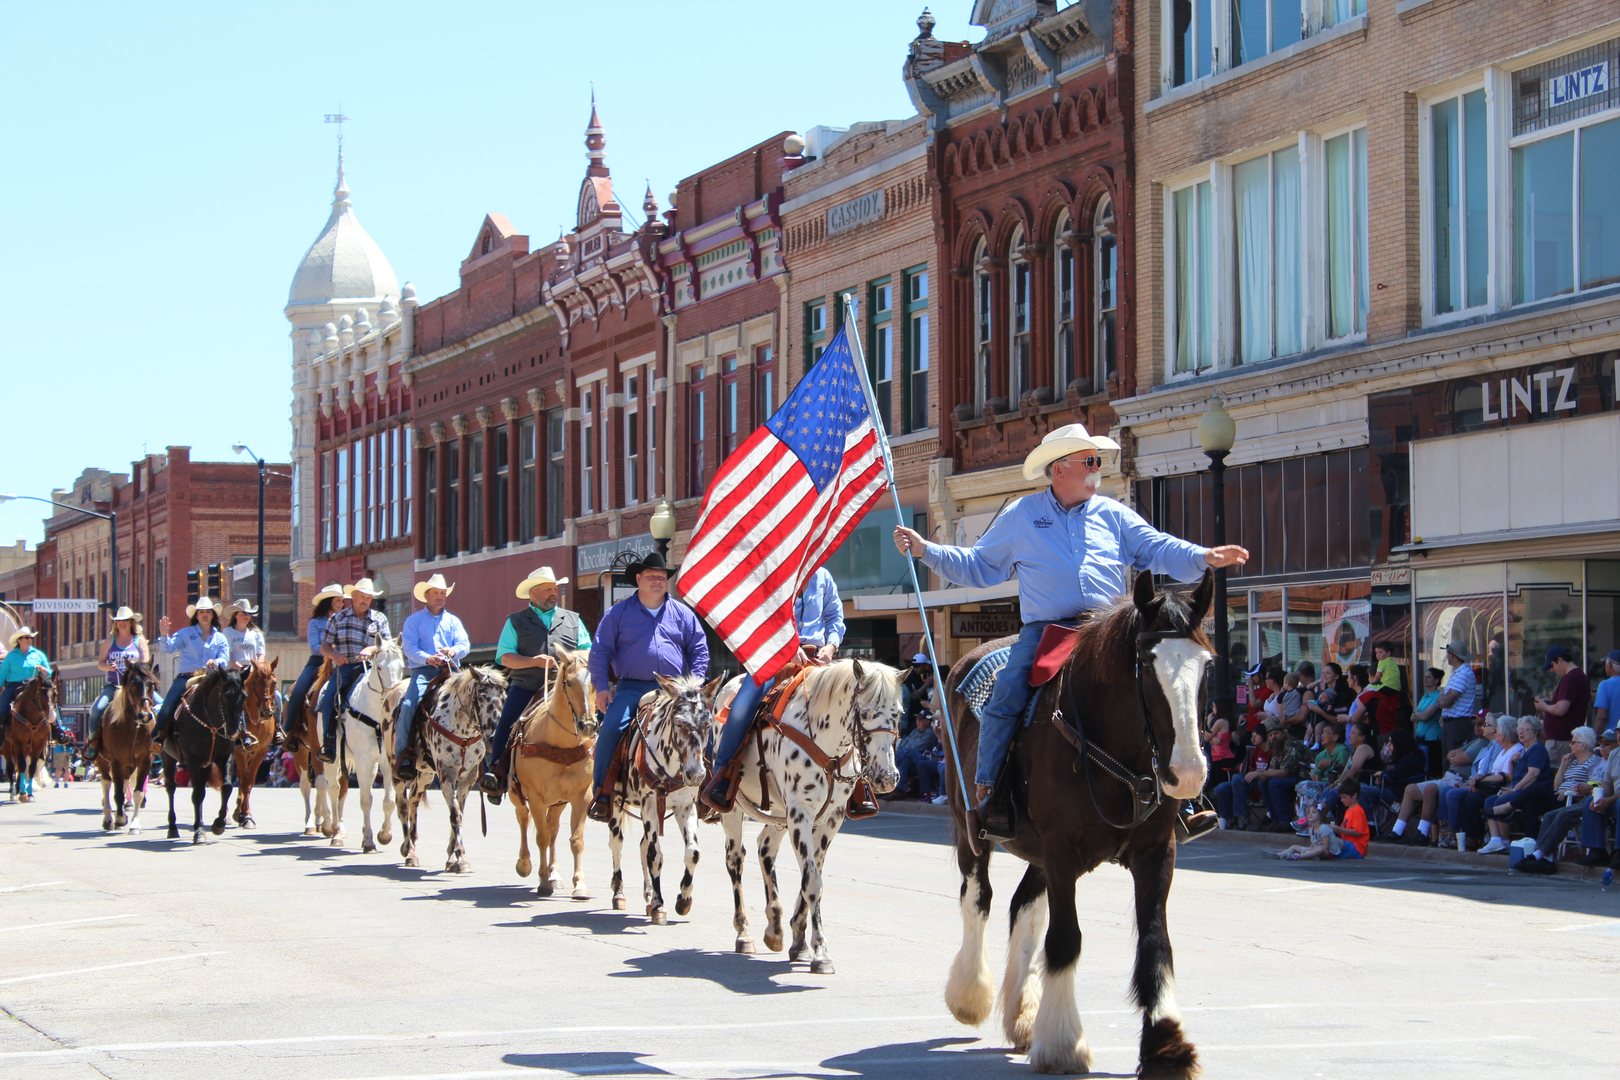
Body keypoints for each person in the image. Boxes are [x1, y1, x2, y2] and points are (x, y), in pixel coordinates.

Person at [891, 423, 1248, 839]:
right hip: (1046, 631)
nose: (1098, 468)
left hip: (1111, 629)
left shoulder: (1113, 513)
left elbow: (1157, 547)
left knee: (1162, 690)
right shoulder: (1022, 515)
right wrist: (924, 549)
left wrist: (1202, 555)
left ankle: (1183, 799)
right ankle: (990, 791)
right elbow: (978, 566)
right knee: (1005, 695)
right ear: (1060, 468)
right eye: (1090, 461)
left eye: (1098, 460)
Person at [701, 565, 845, 814]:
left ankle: (857, 781)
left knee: (852, 698)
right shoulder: (776, 569)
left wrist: (832, 645)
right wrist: (787, 643)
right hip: (774, 655)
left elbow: (834, 616)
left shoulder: (823, 575)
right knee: (743, 704)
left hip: (817, 659)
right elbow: (760, 615)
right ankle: (722, 775)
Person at [585, 552, 707, 822]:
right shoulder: (617, 613)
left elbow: (699, 650)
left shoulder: (682, 613)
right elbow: (600, 652)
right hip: (632, 688)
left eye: (662, 577)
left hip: (674, 691)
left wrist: (696, 682)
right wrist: (602, 688)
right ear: (638, 579)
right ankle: (603, 793)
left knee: (700, 725)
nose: (657, 581)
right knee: (612, 728)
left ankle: (707, 792)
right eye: (651, 576)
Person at [479, 566, 587, 800]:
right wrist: (533, 662)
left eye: (554, 588)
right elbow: (505, 657)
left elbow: (587, 651)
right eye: (547, 589)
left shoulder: (573, 620)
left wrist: (572, 661)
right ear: (533, 594)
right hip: (527, 687)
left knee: (591, 720)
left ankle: (599, 776)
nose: (553, 593)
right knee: (507, 724)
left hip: (566, 689)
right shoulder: (515, 621)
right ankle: (496, 772)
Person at [395, 573, 472, 783]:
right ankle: (403, 755)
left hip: (451, 672)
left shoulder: (453, 621)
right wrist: (428, 658)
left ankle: (476, 752)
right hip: (424, 672)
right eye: (436, 593)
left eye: (443, 593)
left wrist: (453, 651)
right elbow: (409, 648)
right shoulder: (413, 621)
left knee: (473, 701)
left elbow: (464, 644)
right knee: (409, 704)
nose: (440, 596)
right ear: (426, 596)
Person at [1513, 726, 1608, 874]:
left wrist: (1576, 789)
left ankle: (1537, 853)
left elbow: (1596, 784)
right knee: (1533, 807)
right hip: (1561, 795)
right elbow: (1557, 785)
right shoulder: (1573, 763)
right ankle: (1546, 859)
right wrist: (1563, 765)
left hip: (1575, 798)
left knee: (1537, 788)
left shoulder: (1596, 762)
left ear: (1582, 745)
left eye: (1573, 742)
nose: (1570, 745)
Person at [1390, 713, 1495, 845]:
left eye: (1482, 724)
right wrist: (1456, 758)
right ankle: (1397, 831)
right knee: (1410, 789)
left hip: (1460, 779)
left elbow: (1458, 758)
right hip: (1448, 776)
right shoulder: (1475, 742)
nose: (1478, 727)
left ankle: (1422, 833)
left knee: (1430, 788)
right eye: (1476, 723)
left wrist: (1457, 757)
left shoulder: (1485, 744)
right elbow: (1450, 755)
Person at [317, 579, 392, 763]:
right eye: (362, 597)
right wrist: (334, 655)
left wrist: (371, 649)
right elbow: (324, 646)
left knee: (393, 695)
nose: (365, 601)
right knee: (329, 696)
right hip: (346, 666)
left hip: (373, 668)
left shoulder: (379, 619)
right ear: (353, 596)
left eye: (368, 597)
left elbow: (388, 644)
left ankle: (396, 743)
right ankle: (328, 741)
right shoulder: (338, 618)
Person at [150, 599, 231, 745]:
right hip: (186, 678)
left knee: (232, 699)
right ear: (196, 616)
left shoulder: (221, 638)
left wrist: (216, 662)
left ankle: (238, 735)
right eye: (201, 612)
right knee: (168, 704)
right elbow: (167, 649)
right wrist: (163, 635)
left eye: (207, 612)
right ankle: (158, 737)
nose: (204, 615)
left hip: (211, 678)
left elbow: (225, 658)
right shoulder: (185, 633)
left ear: (212, 615)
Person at [81, 607, 151, 762]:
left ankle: (158, 740)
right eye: (118, 621)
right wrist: (108, 667)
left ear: (132, 622)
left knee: (161, 706)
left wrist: (135, 666)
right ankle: (93, 741)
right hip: (114, 685)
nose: (121, 623)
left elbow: (145, 660)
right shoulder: (109, 641)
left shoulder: (139, 641)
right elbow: (100, 663)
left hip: (136, 686)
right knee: (97, 709)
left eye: (125, 620)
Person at [285, 583, 346, 753]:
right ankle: (288, 729)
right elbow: (314, 646)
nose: (341, 604)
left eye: (342, 600)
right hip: (317, 663)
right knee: (298, 691)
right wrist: (332, 649)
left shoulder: (345, 621)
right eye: (337, 600)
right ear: (328, 602)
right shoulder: (315, 622)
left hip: (341, 663)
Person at [1478, 716, 1552, 853]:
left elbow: (1533, 774)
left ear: (1535, 732)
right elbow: (1513, 777)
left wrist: (1515, 789)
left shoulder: (1537, 749)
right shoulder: (1522, 751)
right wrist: (1512, 763)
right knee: (1490, 800)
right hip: (1518, 790)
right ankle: (1496, 840)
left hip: (1533, 792)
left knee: (1501, 801)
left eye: (1525, 730)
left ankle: (1505, 841)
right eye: (1519, 730)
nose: (1521, 733)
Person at [1213, 718, 1300, 831]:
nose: (1253, 737)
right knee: (1222, 787)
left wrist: (1259, 774)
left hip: (1268, 781)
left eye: (1257, 734)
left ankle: (1243, 817)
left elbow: (1280, 772)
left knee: (1240, 779)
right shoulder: (1258, 750)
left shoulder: (1278, 748)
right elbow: (1252, 770)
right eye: (1270, 735)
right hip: (1254, 782)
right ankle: (1227, 819)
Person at [1450, 716, 1523, 852]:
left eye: (1498, 730)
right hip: (1490, 786)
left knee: (1473, 799)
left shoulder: (1516, 750)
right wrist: (1480, 776)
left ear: (1505, 734)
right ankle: (1464, 836)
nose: (1496, 732)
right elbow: (1493, 772)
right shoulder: (1502, 750)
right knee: (1464, 797)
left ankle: (1475, 838)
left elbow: (1505, 777)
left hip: (1503, 788)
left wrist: (1480, 781)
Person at [1269, 780, 1369, 861]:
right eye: (1341, 797)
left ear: (1354, 795)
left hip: (1356, 848)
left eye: (1344, 797)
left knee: (1326, 837)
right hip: (1347, 845)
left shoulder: (1358, 810)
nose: (1342, 800)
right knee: (1322, 839)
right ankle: (1282, 854)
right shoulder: (1349, 810)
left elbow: (1358, 832)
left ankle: (1299, 855)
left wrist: (1337, 829)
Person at [223, 600, 276, 747]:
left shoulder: (256, 634)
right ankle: (241, 730)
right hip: (235, 673)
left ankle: (276, 730)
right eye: (244, 614)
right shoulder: (228, 632)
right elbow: (228, 656)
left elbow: (261, 654)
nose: (247, 617)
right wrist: (241, 668)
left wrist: (257, 668)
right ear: (236, 615)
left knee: (273, 694)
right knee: (235, 697)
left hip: (254, 672)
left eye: (249, 614)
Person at [0, 626, 56, 746]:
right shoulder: (11, 656)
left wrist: (43, 669)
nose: (30, 639)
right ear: (19, 640)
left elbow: (50, 673)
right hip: (14, 687)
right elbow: (2, 673)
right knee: (1, 707)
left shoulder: (39, 654)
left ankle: (58, 731)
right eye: (27, 637)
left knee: (50, 704)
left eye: (31, 637)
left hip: (34, 687)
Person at [1535, 645, 1589, 766]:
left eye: (1552, 666)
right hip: (1563, 739)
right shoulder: (1576, 676)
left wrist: (1544, 707)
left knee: (1556, 774)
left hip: (1561, 741)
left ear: (1559, 660)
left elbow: (1561, 710)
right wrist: (1551, 703)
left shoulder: (1571, 678)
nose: (1552, 670)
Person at [1578, 727, 1620, 870]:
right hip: (1615, 798)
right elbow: (1607, 784)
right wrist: (1601, 797)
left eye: (1606, 743)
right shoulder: (1614, 755)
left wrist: (1610, 800)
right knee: (1591, 801)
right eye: (1619, 732)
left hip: (1618, 800)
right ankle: (1597, 851)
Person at [888, 711, 942, 800]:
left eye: (920, 720)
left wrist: (896, 757)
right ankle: (899, 790)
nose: (917, 722)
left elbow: (916, 749)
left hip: (922, 759)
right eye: (917, 720)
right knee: (905, 761)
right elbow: (902, 744)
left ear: (928, 722)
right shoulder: (914, 731)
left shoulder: (930, 733)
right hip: (910, 760)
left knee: (907, 751)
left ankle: (891, 764)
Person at [1437, 639, 1479, 756]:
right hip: (1450, 723)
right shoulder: (1456, 673)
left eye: (1447, 653)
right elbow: (1443, 699)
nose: (1447, 656)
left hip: (1458, 723)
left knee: (1454, 759)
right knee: (1446, 758)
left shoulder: (1464, 674)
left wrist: (1443, 698)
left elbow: (1447, 701)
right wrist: (1443, 698)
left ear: (1452, 654)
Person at [1410, 667, 1445, 776]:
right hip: (1420, 737)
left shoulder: (1438, 696)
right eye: (1424, 677)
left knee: (1433, 769)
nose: (1425, 679)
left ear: (1436, 680)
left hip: (1432, 738)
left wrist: (1419, 715)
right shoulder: (1425, 696)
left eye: (1428, 677)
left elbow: (1426, 716)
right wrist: (1421, 715)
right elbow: (1412, 717)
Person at [1594, 651, 1620, 732]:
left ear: (1610, 665)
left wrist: (1597, 739)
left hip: (1612, 738)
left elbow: (1601, 718)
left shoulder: (1605, 685)